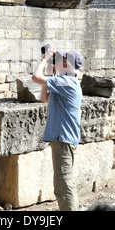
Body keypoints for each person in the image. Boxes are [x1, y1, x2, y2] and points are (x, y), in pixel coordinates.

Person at [32, 46, 83, 211]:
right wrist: (49, 69)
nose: (56, 63)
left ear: (67, 64)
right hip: (62, 140)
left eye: (59, 60)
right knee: (63, 184)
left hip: (63, 140)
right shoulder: (63, 83)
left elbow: (35, 77)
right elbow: (43, 97)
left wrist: (45, 59)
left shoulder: (67, 82)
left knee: (63, 187)